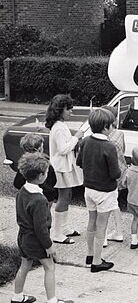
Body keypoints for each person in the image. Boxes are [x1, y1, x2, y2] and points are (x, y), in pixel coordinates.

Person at [11, 152, 74, 303]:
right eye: (46, 173)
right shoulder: (39, 199)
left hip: (23, 237)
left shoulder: (22, 192)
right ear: (40, 176)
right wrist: (49, 245)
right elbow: (40, 228)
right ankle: (52, 302)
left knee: (24, 265)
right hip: (36, 239)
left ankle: (17, 297)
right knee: (49, 267)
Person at [76, 108, 120, 272]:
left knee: (91, 222)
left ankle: (90, 254)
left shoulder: (86, 141)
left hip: (89, 188)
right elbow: (115, 173)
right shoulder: (109, 146)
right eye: (112, 126)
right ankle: (96, 261)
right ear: (106, 127)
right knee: (102, 226)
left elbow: (79, 162)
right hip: (105, 191)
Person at [45, 94, 84, 244]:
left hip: (64, 166)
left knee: (67, 197)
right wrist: (77, 137)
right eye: (69, 109)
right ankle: (57, 233)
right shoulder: (59, 127)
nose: (71, 112)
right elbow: (62, 149)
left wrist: (74, 139)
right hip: (61, 167)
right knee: (63, 198)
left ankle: (64, 228)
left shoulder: (60, 125)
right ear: (60, 110)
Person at [102, 106, 128, 243]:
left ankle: (103, 235)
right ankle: (118, 231)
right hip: (120, 169)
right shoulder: (120, 134)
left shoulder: (103, 137)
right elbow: (123, 150)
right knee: (114, 202)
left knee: (104, 204)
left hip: (106, 172)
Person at [13, 133, 58, 205]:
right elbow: (53, 180)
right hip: (46, 196)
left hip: (27, 195)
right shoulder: (45, 162)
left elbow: (17, 182)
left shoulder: (24, 162)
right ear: (40, 148)